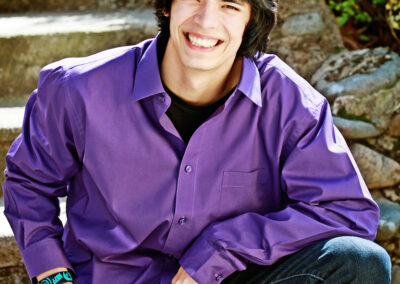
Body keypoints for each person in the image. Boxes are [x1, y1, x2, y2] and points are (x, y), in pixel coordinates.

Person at [3, 0, 392, 283]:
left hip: (226, 282)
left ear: (251, 21)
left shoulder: (289, 103)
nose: (206, 20)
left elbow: (346, 211)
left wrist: (218, 251)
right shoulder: (78, 89)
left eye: (229, 5)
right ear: (169, 6)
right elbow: (27, 183)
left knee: (360, 263)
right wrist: (52, 275)